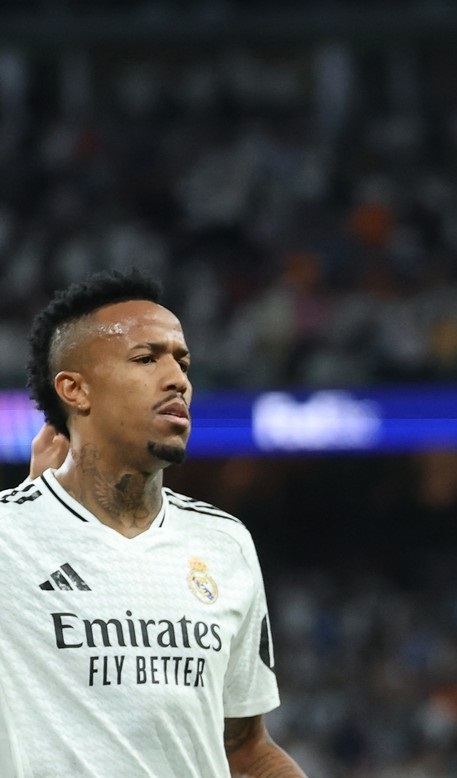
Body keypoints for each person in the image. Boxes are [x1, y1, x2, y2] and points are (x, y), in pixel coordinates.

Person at [0, 270, 305, 777]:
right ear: (74, 390)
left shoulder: (224, 542)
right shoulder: (10, 538)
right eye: (146, 358)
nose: (178, 379)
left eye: (181, 361)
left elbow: (245, 750)